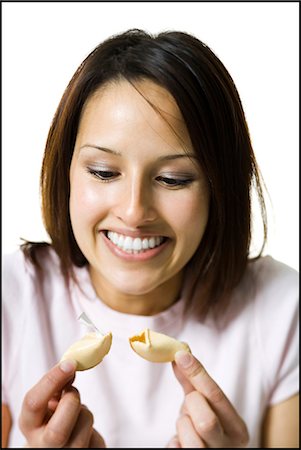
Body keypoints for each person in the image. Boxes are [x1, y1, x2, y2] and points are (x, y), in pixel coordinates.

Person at [2, 28, 298, 448]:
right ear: (65, 170)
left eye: (173, 179)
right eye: (104, 172)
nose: (134, 211)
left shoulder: (281, 309)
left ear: (221, 188)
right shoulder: (12, 299)